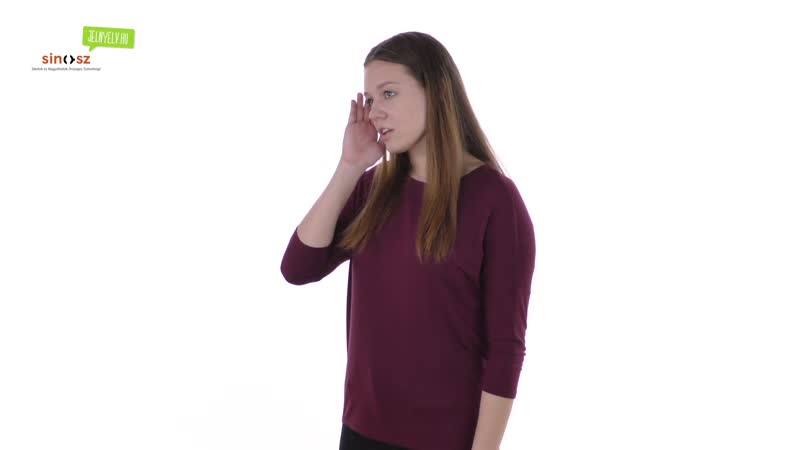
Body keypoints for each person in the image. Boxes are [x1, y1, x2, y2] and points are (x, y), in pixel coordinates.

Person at [280, 31, 536, 450]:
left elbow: (505, 349)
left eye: (389, 93)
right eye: (369, 99)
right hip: (360, 433)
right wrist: (349, 166)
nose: (375, 112)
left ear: (435, 91)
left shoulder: (495, 200)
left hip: (445, 441)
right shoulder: (373, 188)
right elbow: (298, 267)